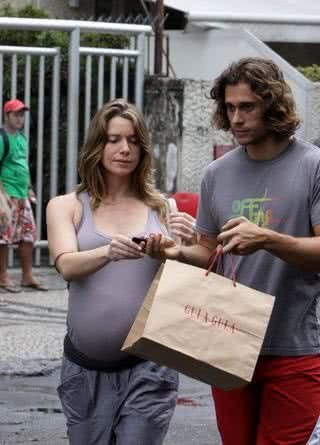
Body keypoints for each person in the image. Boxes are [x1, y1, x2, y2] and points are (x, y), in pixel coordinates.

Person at [145, 57, 320, 444]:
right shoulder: (217, 174)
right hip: (228, 340)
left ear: (272, 106)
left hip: (295, 348)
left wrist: (268, 239)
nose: (236, 118)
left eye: (247, 107)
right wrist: (174, 253)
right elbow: (207, 251)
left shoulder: (312, 165)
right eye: (229, 107)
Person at [46, 99, 195, 445]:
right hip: (83, 368)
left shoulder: (164, 206)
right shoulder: (67, 205)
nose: (124, 149)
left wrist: (183, 246)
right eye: (113, 139)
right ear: (97, 145)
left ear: (143, 148)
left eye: (133, 140)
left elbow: (186, 274)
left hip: (149, 366)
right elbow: (66, 264)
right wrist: (108, 251)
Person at [0, 99, 47, 292]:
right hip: (6, 194)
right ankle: (2, 276)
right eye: (16, 114)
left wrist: (29, 188)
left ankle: (27, 276)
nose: (20, 119)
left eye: (22, 115)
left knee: (28, 235)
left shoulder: (22, 138)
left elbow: (22, 165)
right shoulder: (2, 138)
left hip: (21, 195)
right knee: (3, 236)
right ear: (7, 115)